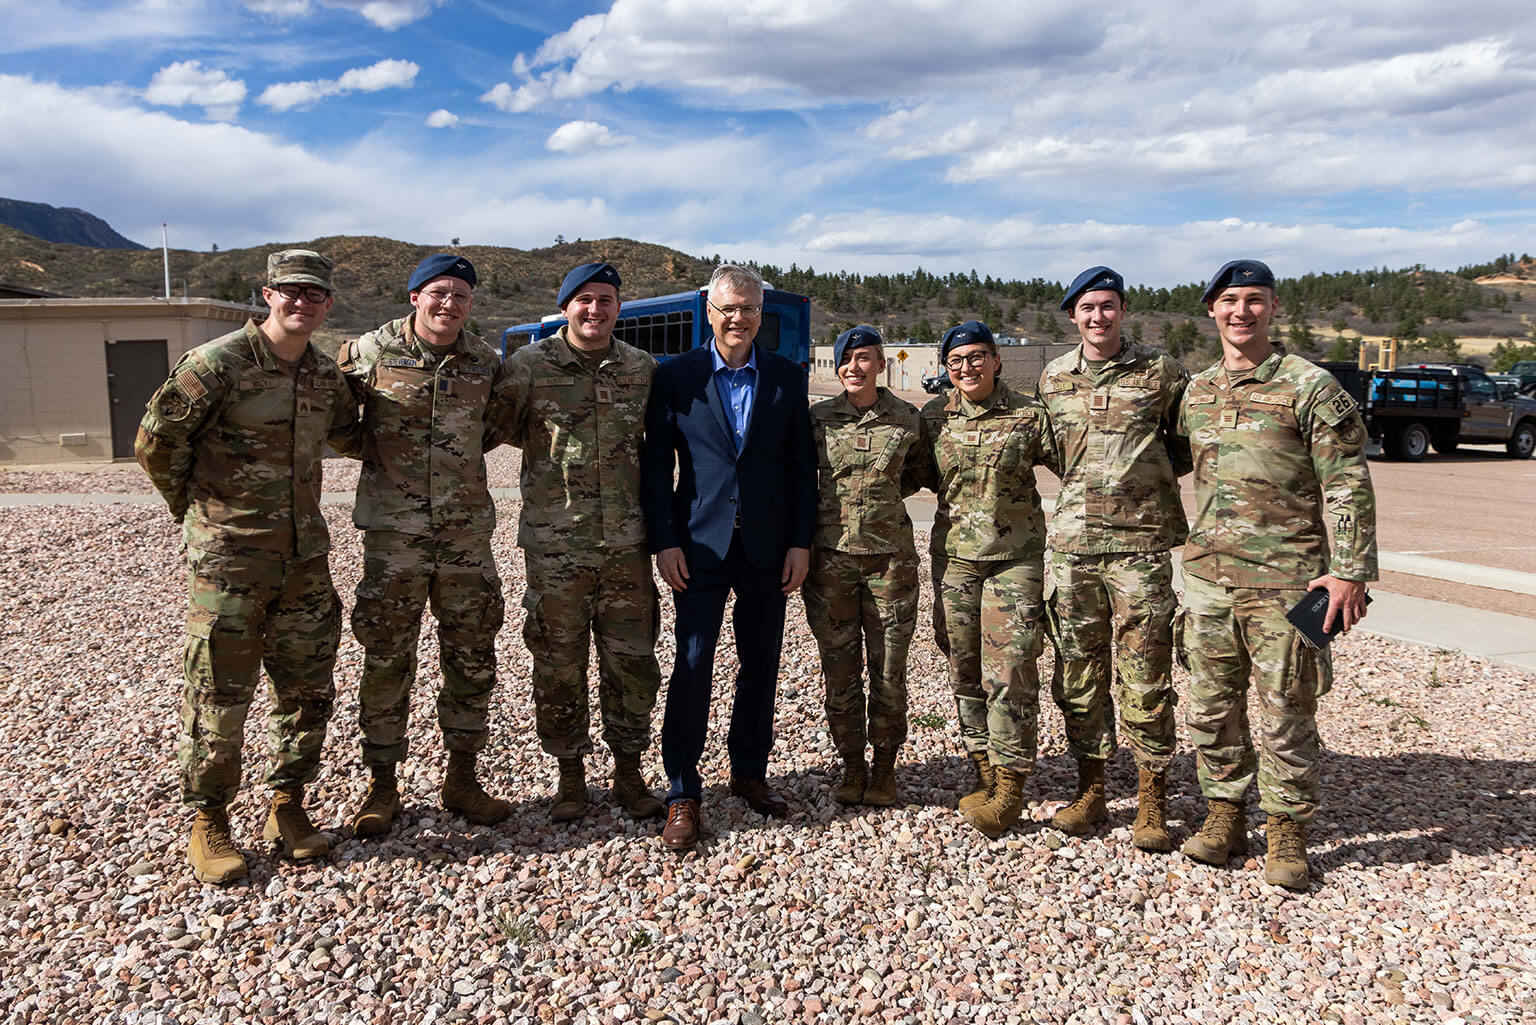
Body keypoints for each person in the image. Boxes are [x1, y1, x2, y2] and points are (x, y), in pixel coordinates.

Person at [136, 249, 360, 884]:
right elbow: (156, 443)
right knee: (218, 692)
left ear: (327, 305)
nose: (301, 303)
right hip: (231, 561)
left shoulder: (323, 372)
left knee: (307, 691)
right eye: (290, 292)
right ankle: (208, 819)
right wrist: (201, 515)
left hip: (304, 561)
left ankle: (287, 804)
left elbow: (349, 434)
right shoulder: (218, 363)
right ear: (267, 295)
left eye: (313, 295)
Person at [1177, 259, 1377, 891]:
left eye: (1255, 300)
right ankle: (1224, 813)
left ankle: (1287, 824)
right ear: (1211, 310)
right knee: (1212, 704)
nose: (1242, 312)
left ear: (1273, 308)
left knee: (1287, 704)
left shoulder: (1309, 386)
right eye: (1230, 300)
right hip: (1209, 576)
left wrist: (1348, 572)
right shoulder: (1197, 390)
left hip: (1290, 578)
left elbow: (1347, 482)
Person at [641, 263, 816, 850]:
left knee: (759, 665)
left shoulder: (788, 378)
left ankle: (748, 774)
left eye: (747, 308)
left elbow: (801, 469)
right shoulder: (676, 376)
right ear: (709, 313)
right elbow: (655, 466)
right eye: (727, 308)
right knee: (692, 666)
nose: (737, 318)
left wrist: (800, 541)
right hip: (700, 546)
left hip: (767, 548)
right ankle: (683, 790)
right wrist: (664, 540)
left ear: (760, 315)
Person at [338, 253, 514, 835]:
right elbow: (339, 421)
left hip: (465, 536)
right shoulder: (369, 354)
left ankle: (462, 779)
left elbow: (493, 427)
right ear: (414, 296)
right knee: (387, 658)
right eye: (439, 292)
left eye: (461, 296)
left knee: (471, 657)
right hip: (396, 540)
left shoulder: (486, 362)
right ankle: (382, 786)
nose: (449, 304)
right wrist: (387, 458)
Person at [497, 261, 664, 824]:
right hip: (556, 549)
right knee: (558, 664)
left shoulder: (641, 369)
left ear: (619, 308)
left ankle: (629, 770)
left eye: (607, 300)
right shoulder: (528, 366)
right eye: (585, 300)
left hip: (627, 549)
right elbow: (489, 430)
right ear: (566, 305)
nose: (596, 310)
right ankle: (570, 775)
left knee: (633, 663)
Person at [1036, 267, 1190, 851]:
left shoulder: (1160, 371)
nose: (1097, 317)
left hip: (1139, 546)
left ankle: (1153, 798)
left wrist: (1138, 484)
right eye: (1086, 309)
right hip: (1074, 545)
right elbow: (1056, 450)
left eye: (1107, 306)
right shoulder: (1054, 377)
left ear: (1123, 311)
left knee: (1146, 673)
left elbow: (1184, 443)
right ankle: (1092, 789)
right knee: (1078, 672)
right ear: (1073, 316)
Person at [919, 321, 1056, 839]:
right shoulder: (934, 418)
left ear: (997, 360)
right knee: (964, 669)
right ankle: (983, 767)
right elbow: (909, 476)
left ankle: (1010, 785)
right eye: (956, 362)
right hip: (954, 560)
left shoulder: (1028, 416)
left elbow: (1078, 467)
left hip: (1013, 560)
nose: (967, 368)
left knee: (1012, 670)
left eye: (977, 358)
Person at [803, 326, 929, 806]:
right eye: (846, 359)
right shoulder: (818, 420)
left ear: (881, 363)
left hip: (889, 565)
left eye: (865, 358)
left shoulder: (908, 418)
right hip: (830, 564)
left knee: (890, 670)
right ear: (836, 367)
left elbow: (918, 474)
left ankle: (884, 767)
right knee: (839, 670)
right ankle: (851, 763)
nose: (855, 367)